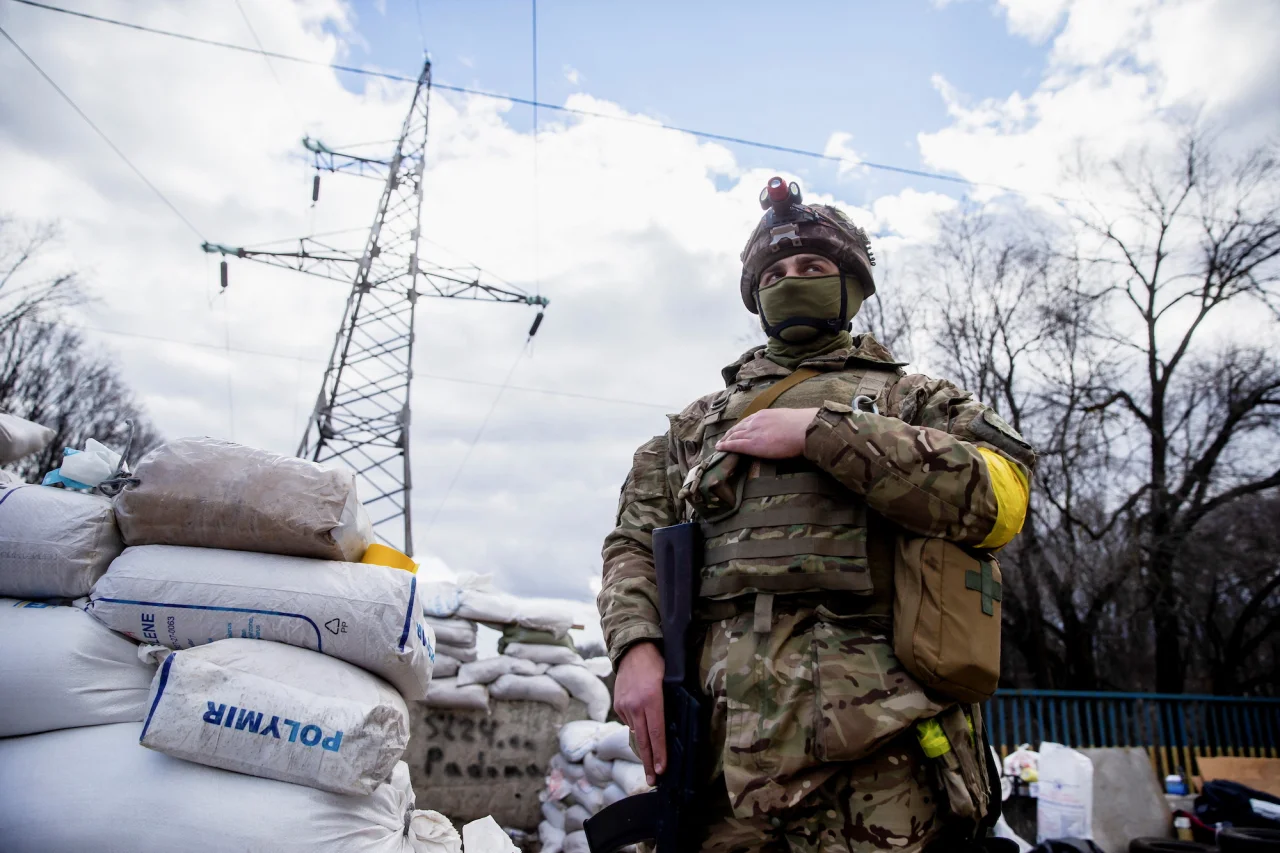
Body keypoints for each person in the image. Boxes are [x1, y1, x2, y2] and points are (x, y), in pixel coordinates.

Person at [597, 178, 1036, 852]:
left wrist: (826, 435)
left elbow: (1002, 497)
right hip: (722, 757)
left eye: (812, 267)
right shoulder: (692, 429)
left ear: (852, 286)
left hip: (883, 759)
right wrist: (635, 648)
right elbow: (633, 542)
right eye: (773, 273)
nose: (790, 280)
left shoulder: (915, 400)